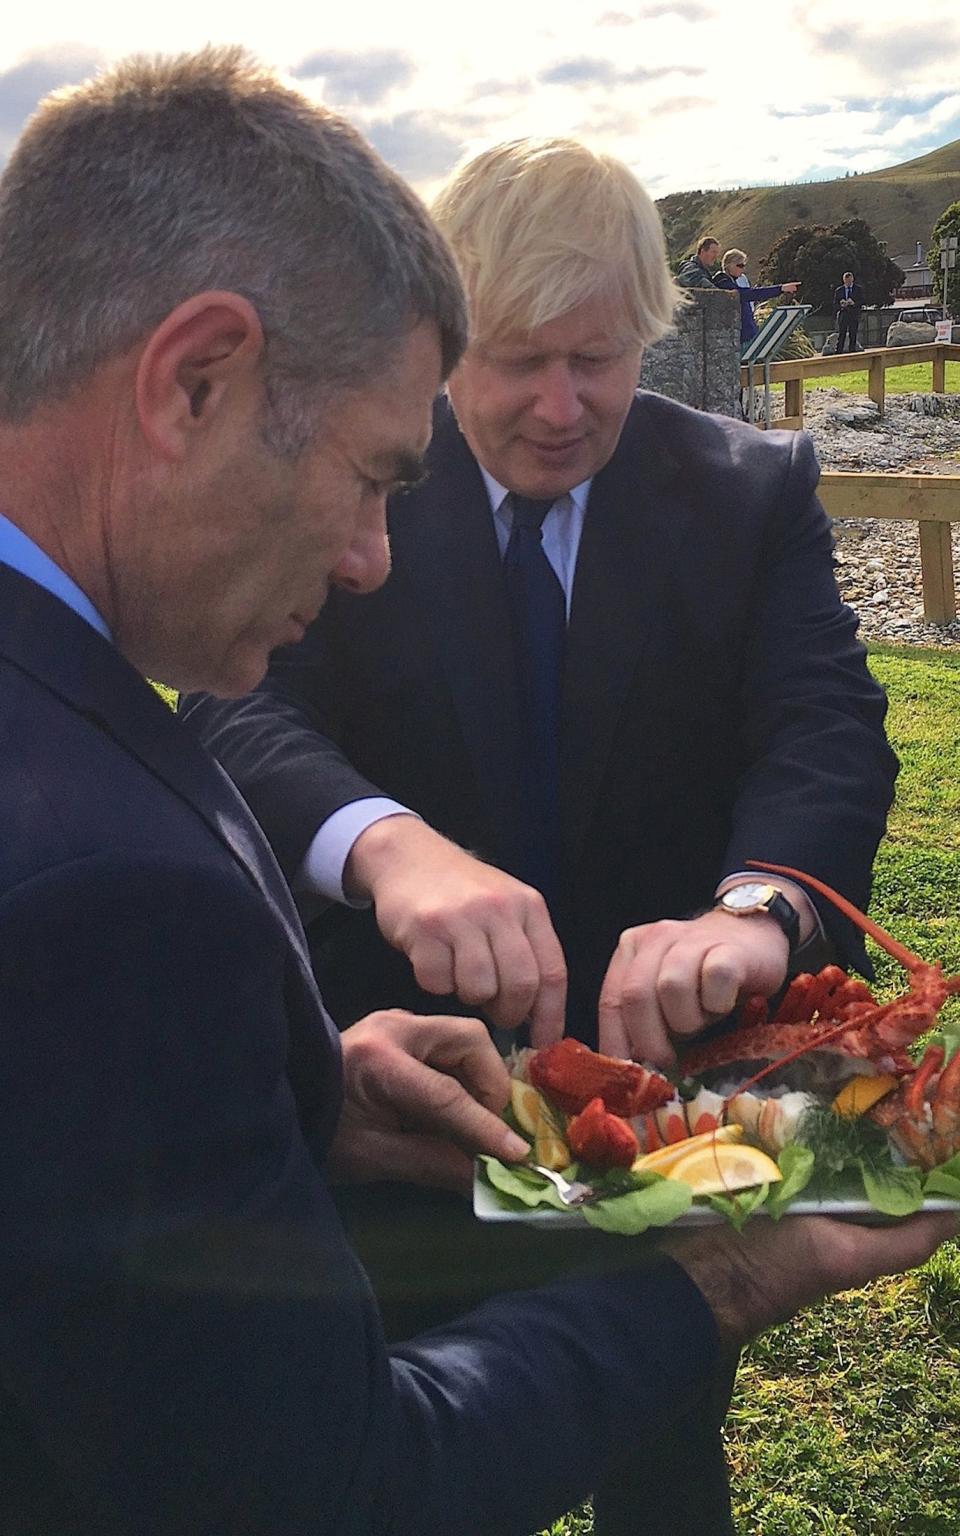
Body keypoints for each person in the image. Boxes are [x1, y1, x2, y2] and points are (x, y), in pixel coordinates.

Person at [3, 52, 953, 1536]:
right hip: (398, 1135)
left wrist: (759, 910)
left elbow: (826, 722)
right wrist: (385, 846)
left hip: (614, 1097)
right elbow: (322, 1480)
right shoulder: (334, 482)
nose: (562, 404)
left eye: (603, 357)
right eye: (518, 359)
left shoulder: (749, 489)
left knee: (656, 1455)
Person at [713, 246, 801, 350]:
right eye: (740, 265)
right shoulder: (722, 281)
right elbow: (748, 294)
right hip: (739, 338)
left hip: (747, 335)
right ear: (729, 265)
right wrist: (780, 289)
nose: (743, 269)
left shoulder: (733, 281)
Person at [834, 270, 866, 352]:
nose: (847, 282)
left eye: (849, 280)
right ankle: (839, 351)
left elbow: (863, 301)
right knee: (842, 333)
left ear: (852, 279)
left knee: (853, 333)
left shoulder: (858, 289)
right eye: (846, 281)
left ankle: (852, 350)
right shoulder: (839, 290)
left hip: (853, 314)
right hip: (843, 313)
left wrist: (854, 303)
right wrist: (841, 305)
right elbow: (835, 303)